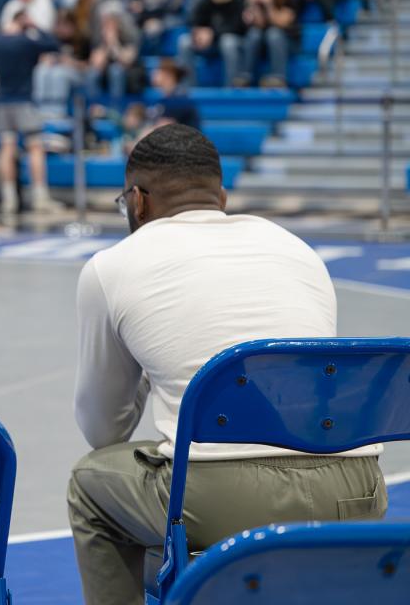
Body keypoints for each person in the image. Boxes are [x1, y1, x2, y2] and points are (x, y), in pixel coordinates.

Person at [67, 123, 386, 605]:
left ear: (137, 200)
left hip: (220, 498)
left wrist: (146, 376)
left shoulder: (111, 267)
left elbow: (103, 431)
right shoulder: (298, 250)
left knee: (92, 484)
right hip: (356, 489)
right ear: (221, 195)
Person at [0, 11, 62, 219]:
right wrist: (34, 26)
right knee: (35, 146)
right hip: (24, 101)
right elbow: (53, 45)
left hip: (2, 102)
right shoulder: (26, 43)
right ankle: (40, 197)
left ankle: (8, 198)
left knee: (6, 148)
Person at [179, 0, 246, 87]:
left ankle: (230, 87)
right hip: (206, 43)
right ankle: (188, 87)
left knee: (228, 42)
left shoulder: (236, 2)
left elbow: (238, 27)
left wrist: (212, 34)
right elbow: (193, 21)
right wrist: (199, 33)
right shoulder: (205, 1)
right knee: (184, 42)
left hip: (228, 43)